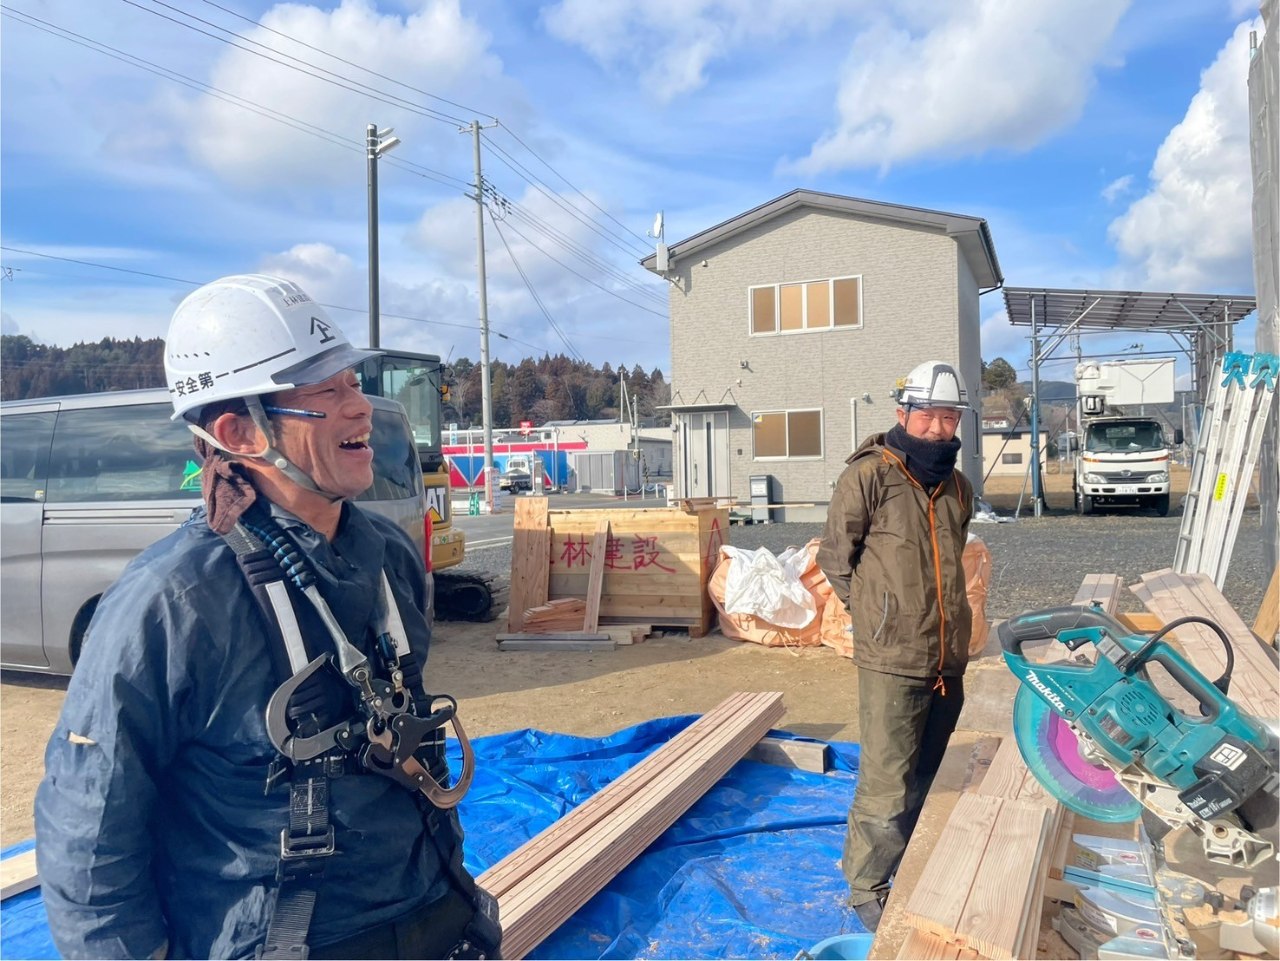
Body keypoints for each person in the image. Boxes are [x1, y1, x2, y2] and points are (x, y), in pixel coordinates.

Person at [34, 274, 501, 960]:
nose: (360, 408)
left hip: (435, 914)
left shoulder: (388, 557)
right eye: (324, 392)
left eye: (352, 383)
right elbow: (90, 820)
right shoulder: (173, 600)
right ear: (238, 431)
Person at [815, 360, 975, 933]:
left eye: (949, 417)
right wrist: (877, 616)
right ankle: (867, 883)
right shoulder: (870, 476)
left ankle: (912, 864)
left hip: (946, 657)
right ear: (903, 413)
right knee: (887, 780)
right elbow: (836, 557)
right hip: (892, 658)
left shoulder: (958, 487)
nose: (938, 427)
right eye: (928, 414)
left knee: (931, 771)